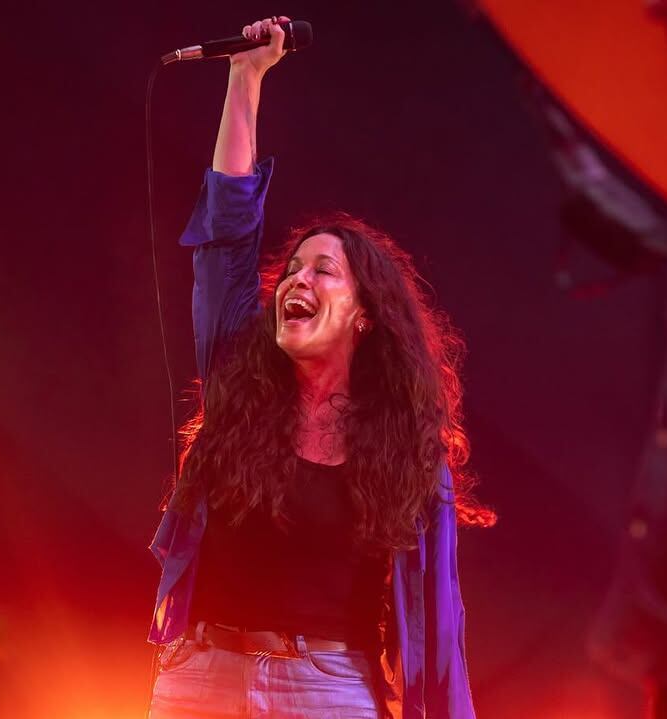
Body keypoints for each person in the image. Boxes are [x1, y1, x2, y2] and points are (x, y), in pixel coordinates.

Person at [147, 15, 495, 719]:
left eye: (324, 270)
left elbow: (438, 630)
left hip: (327, 688)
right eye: (293, 268)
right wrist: (244, 81)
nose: (296, 280)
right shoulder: (240, 378)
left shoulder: (406, 453)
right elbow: (226, 237)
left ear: (366, 315)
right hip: (202, 676)